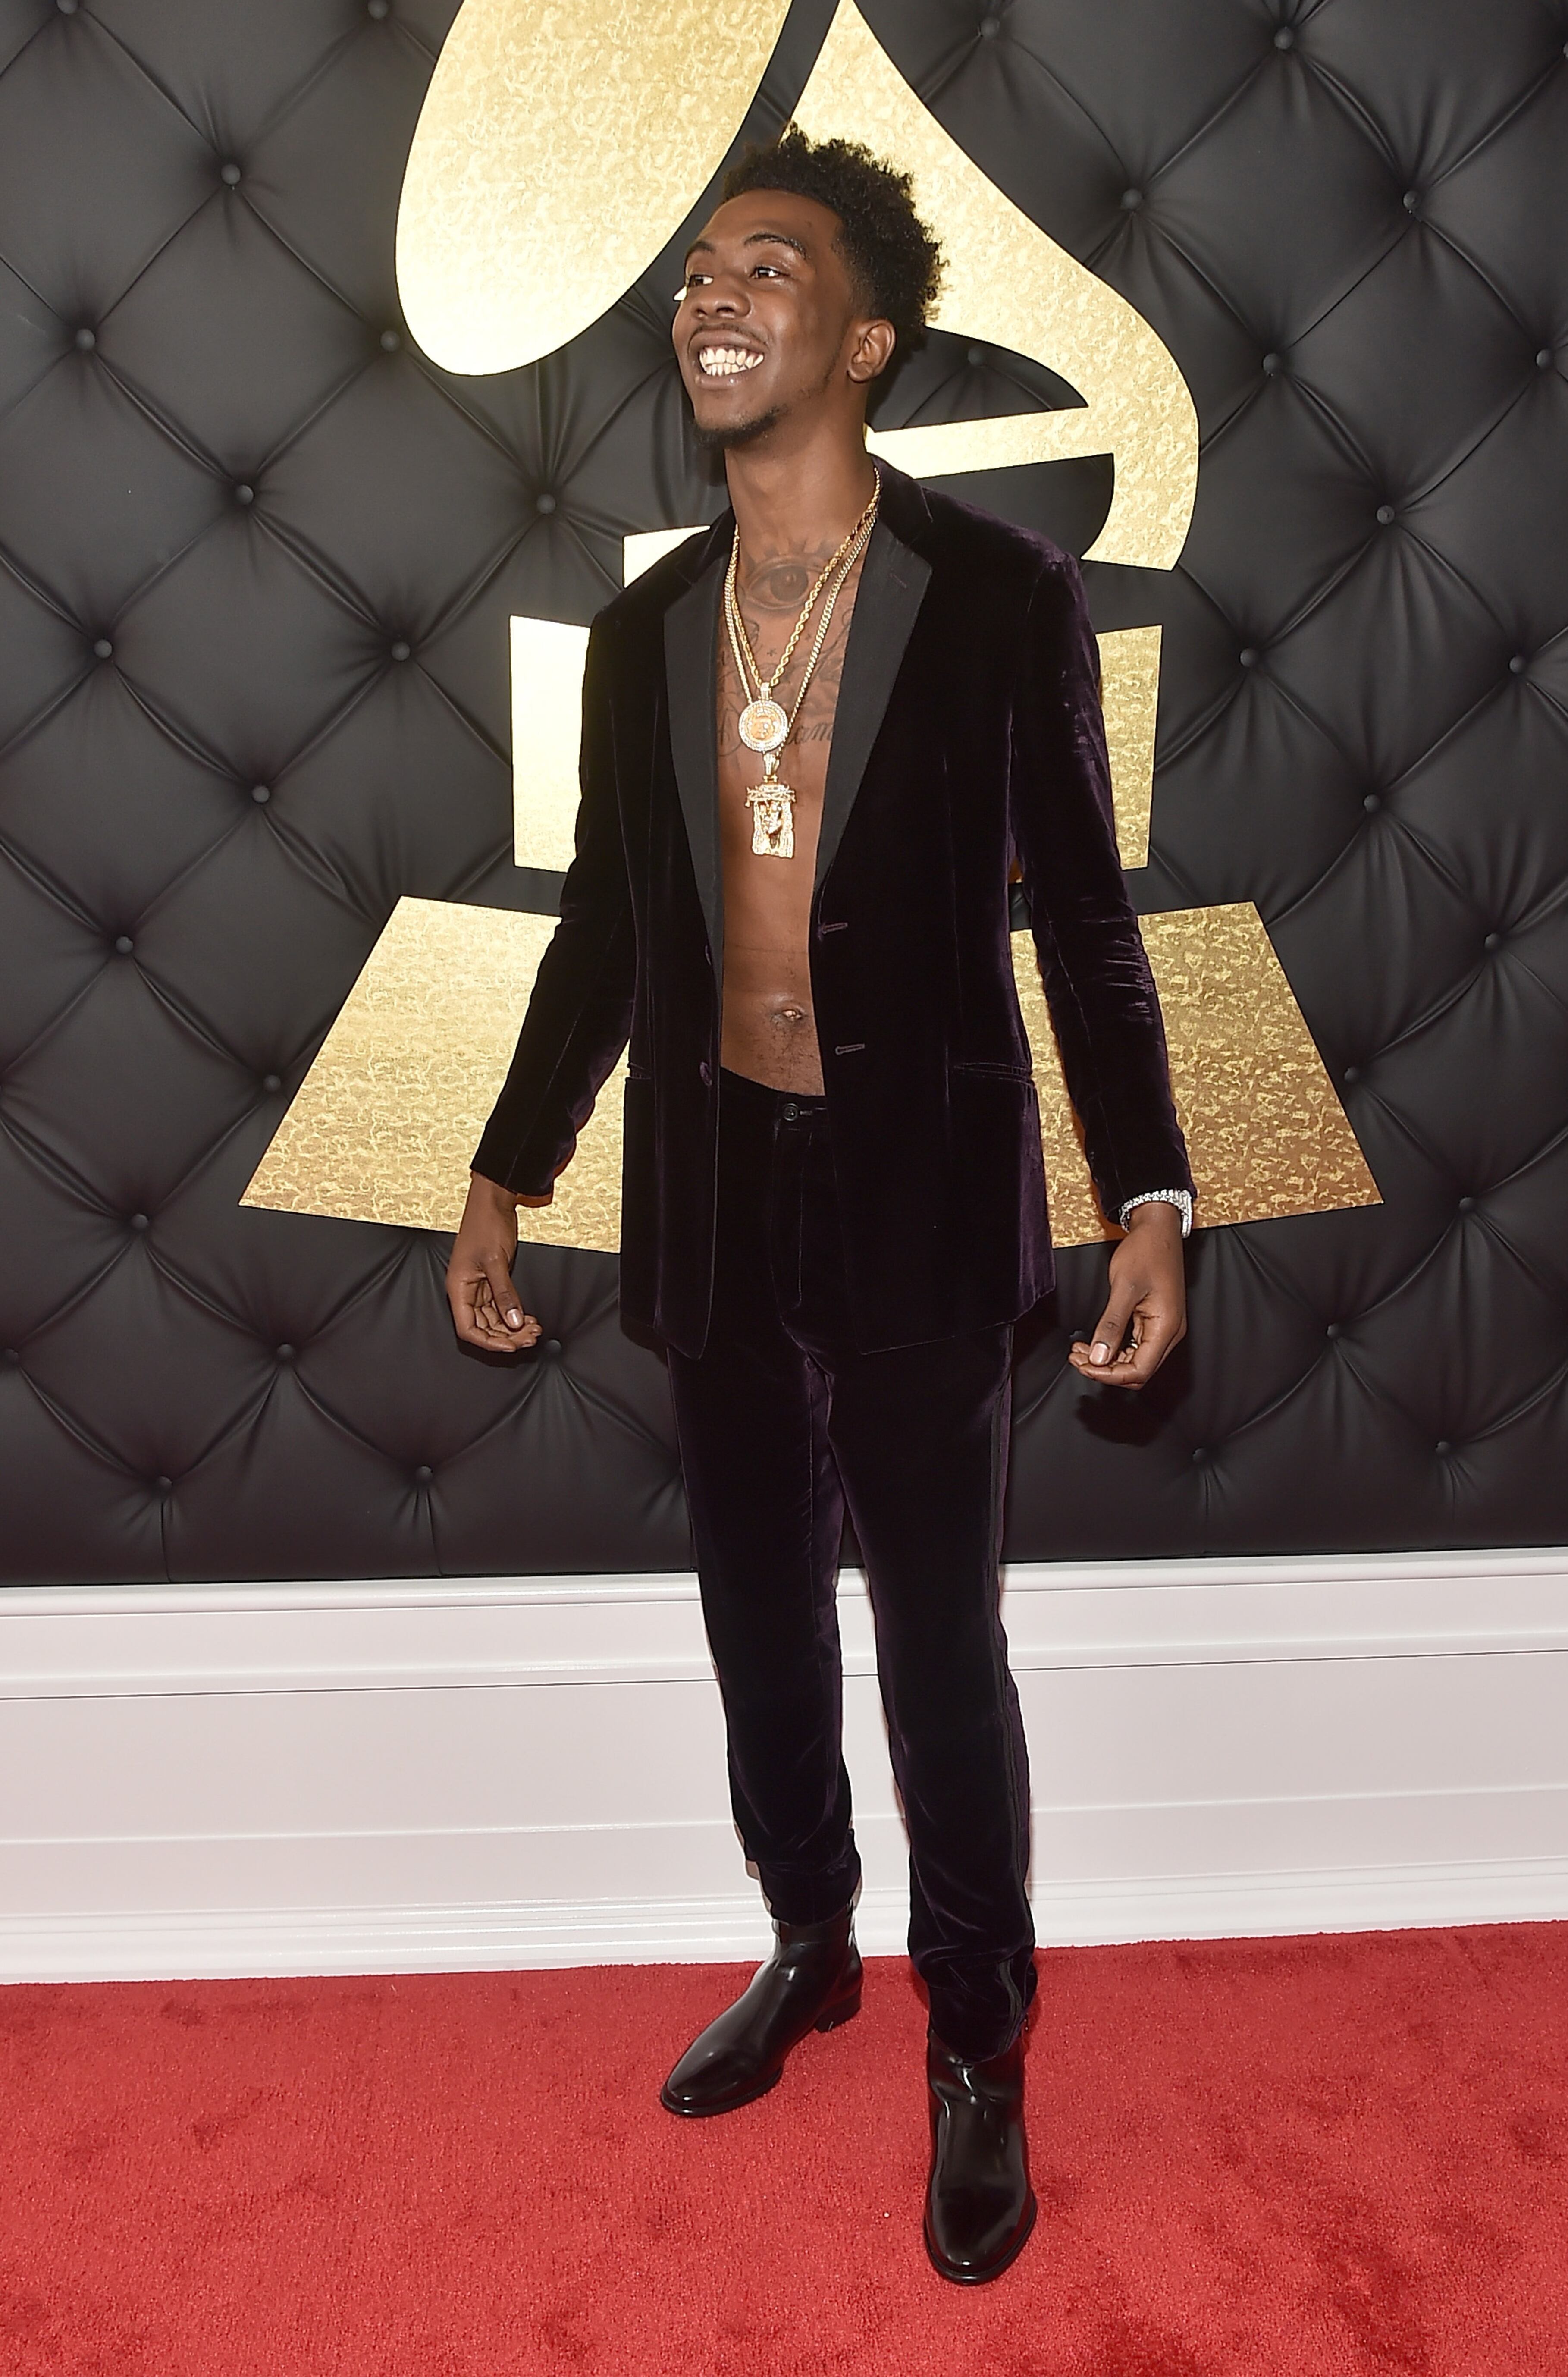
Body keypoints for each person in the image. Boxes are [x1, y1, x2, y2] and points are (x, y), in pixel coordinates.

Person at [446, 131, 1192, 2286]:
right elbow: (605, 929)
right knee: (759, 1624)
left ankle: (979, 2039)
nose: (712, 293)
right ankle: (809, 1939)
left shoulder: (1001, 597)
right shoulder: (645, 629)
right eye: (697, 267)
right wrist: (507, 1161)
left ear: (864, 340)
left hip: (922, 1203)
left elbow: (1091, 928)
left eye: (764, 266)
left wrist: (1148, 1189)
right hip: (711, 1199)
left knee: (940, 1646)